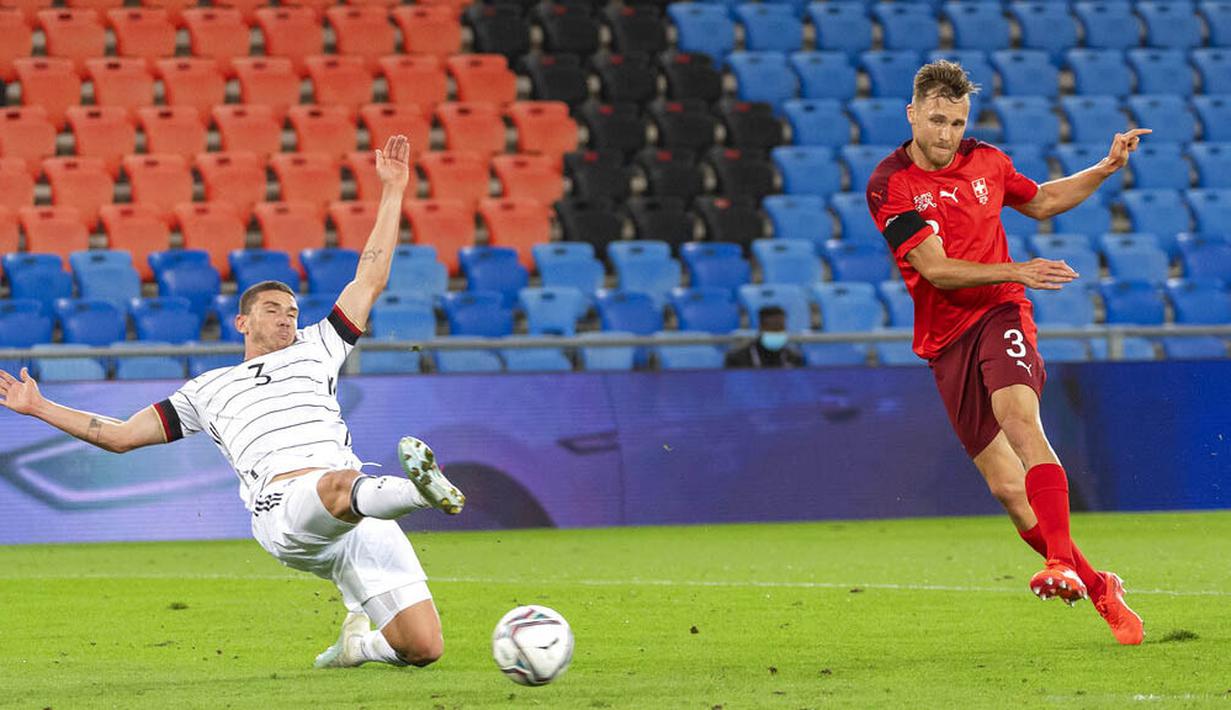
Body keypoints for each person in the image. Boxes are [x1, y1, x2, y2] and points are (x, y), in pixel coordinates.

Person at [0, 135, 467, 668]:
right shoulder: (207, 389)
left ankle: (358, 647)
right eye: (273, 310)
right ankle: (423, 490)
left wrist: (392, 191)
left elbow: (372, 273)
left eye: (292, 310)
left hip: (357, 509)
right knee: (340, 483)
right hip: (287, 508)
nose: (288, 317)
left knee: (423, 648)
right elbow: (122, 436)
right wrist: (40, 407)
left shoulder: (321, 344)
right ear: (242, 322)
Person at [864, 61, 1148, 644]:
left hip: (1001, 312)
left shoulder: (987, 162)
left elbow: (1040, 201)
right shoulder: (890, 184)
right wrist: (1019, 266)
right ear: (912, 113)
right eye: (936, 120)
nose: (946, 134)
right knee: (1008, 492)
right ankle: (1100, 586)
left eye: (957, 122)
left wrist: (1104, 167)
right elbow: (937, 270)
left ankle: (1060, 563)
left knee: (1020, 420)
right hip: (945, 339)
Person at [724, 306, 805, 368]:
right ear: (761, 328)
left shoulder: (794, 358)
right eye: (773, 328)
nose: (776, 332)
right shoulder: (737, 358)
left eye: (780, 328)